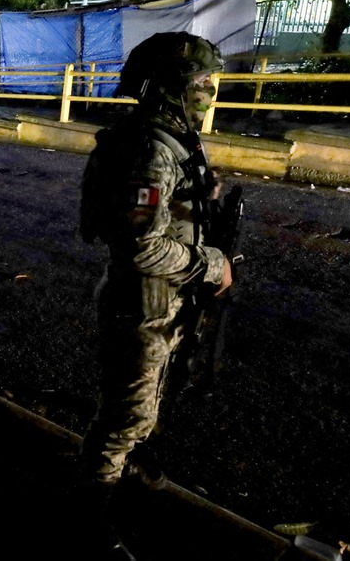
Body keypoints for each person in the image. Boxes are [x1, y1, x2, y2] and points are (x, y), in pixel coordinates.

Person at [77, 31, 233, 559]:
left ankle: (128, 474)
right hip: (142, 303)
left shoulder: (171, 137)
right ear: (171, 87)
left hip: (165, 299)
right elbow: (141, 247)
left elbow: (167, 208)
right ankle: (89, 517)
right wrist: (212, 266)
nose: (210, 91)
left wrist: (202, 196)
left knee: (149, 401)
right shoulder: (149, 146)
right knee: (123, 417)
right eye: (202, 82)